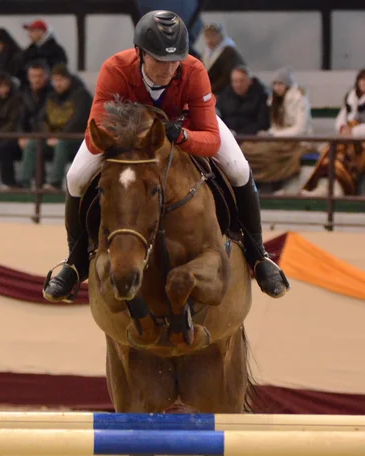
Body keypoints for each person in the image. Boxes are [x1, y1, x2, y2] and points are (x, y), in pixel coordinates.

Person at [43, 10, 289, 303]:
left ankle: (258, 256)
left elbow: (210, 138)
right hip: (128, 135)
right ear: (140, 53)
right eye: (160, 60)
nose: (168, 68)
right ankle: (75, 263)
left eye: (175, 61)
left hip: (184, 126)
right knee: (75, 177)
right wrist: (133, 132)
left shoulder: (194, 70)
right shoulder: (116, 68)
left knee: (238, 168)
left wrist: (184, 136)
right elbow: (95, 137)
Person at [19, 63, 92, 191]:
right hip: (53, 138)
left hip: (76, 140)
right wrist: (49, 136)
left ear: (68, 79)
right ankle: (24, 181)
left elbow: (78, 121)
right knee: (32, 144)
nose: (58, 84)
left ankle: (55, 183)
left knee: (62, 144)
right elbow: (41, 120)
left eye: (61, 80)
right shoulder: (51, 97)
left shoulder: (82, 96)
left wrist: (59, 137)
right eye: (55, 81)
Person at [301, 68, 365, 197]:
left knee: (346, 157)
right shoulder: (350, 99)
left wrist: (353, 131)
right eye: (362, 79)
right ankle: (325, 186)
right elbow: (341, 119)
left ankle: (339, 189)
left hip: (361, 144)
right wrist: (343, 128)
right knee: (331, 153)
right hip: (347, 140)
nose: (364, 82)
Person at [0, 61, 52, 189]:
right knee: (5, 145)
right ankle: (9, 183)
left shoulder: (52, 94)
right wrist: (21, 135)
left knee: (33, 145)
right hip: (26, 134)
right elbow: (20, 117)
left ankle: (27, 182)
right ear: (28, 78)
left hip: (44, 135)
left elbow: (47, 119)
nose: (36, 80)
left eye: (39, 76)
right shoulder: (23, 94)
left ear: (46, 77)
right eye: (33, 76)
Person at [216, 65, 270, 135]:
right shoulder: (225, 95)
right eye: (235, 81)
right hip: (228, 134)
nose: (238, 84)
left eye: (242, 81)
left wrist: (241, 134)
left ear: (250, 81)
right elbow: (218, 117)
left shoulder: (260, 96)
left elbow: (262, 122)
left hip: (251, 137)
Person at [202, 22, 246, 96]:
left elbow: (227, 77)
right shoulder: (206, 53)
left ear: (221, 36)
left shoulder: (229, 52)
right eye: (207, 36)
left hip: (225, 94)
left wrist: (210, 90)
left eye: (213, 36)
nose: (210, 40)